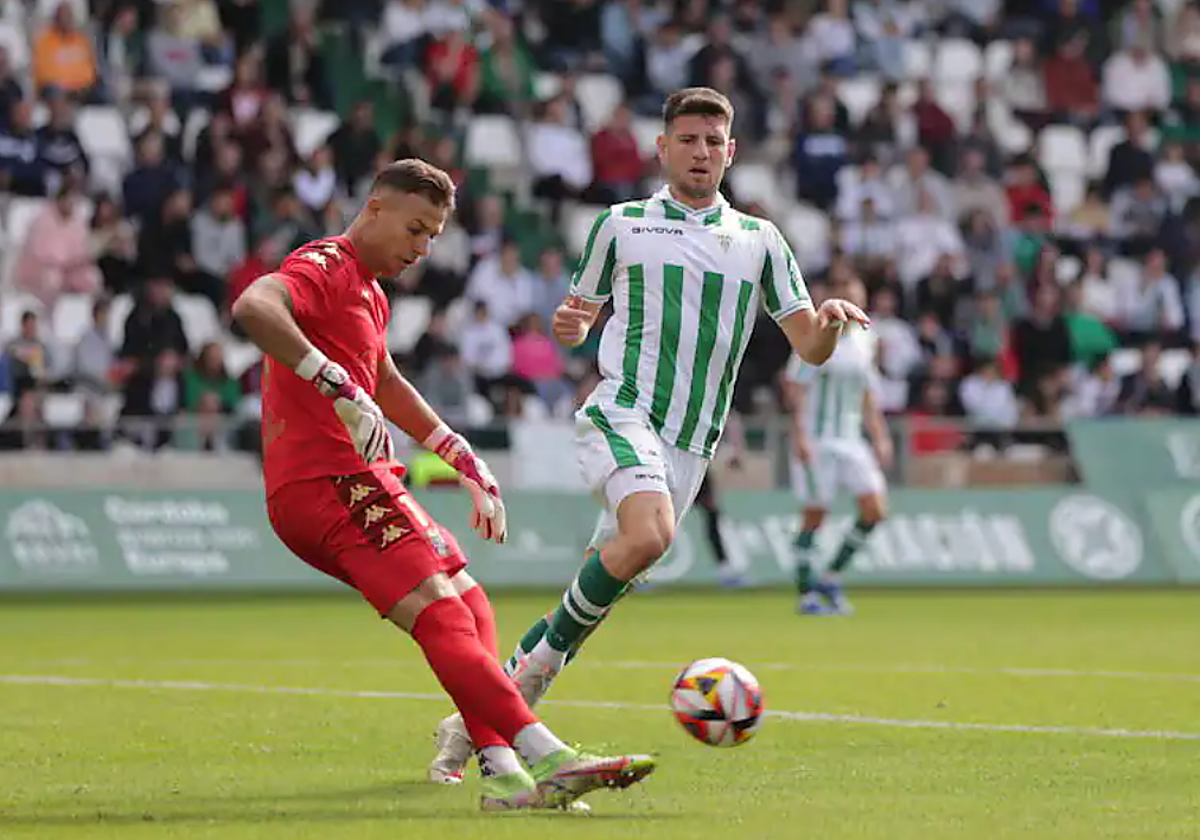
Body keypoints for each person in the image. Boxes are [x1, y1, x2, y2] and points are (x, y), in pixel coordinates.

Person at [428, 88, 870, 781]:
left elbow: (808, 346)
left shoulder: (761, 240)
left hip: (693, 445)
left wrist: (833, 321)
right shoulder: (620, 225)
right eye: (687, 139)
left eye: (713, 141)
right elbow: (575, 314)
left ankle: (474, 722)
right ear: (662, 149)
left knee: (612, 576)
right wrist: (570, 326)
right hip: (624, 412)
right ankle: (525, 701)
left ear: (731, 151)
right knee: (649, 536)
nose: (701, 152)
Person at [231, 158, 654, 812]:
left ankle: (505, 775)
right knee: (441, 607)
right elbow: (254, 305)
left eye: (433, 236)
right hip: (327, 483)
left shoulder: (368, 291)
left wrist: (461, 455)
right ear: (375, 208)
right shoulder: (325, 264)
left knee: (469, 600)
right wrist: (334, 384)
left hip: (359, 480)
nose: (422, 248)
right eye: (415, 228)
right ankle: (552, 758)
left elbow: (386, 381)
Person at [784, 275, 892, 616]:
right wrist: (799, 433)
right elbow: (795, 389)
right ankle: (806, 593)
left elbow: (867, 393)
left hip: (850, 438)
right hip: (817, 439)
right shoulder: (817, 334)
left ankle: (829, 577)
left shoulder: (866, 340)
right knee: (815, 515)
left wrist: (879, 435)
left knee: (874, 510)